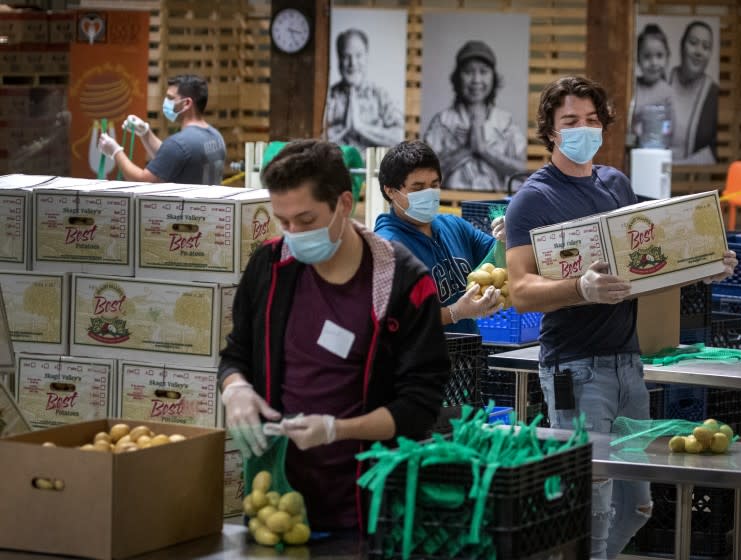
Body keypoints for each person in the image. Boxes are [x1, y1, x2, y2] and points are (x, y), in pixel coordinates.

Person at [503, 76, 737, 558]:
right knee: (591, 506)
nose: (582, 129)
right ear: (550, 130)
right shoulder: (532, 199)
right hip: (575, 368)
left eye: (591, 120)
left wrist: (702, 269)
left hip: (629, 367)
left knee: (636, 506)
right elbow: (522, 291)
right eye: (570, 121)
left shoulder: (616, 185)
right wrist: (578, 288)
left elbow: (645, 270)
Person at [218, 140, 450, 532]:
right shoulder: (270, 267)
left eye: (306, 221)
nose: (293, 233)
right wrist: (235, 389)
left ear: (344, 203)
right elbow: (237, 353)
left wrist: (336, 430)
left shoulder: (403, 283)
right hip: (278, 501)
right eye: (283, 221)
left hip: (369, 507)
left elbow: (419, 405)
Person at [373, 140, 503, 335]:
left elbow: (496, 257)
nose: (428, 193)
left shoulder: (453, 226)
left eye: (434, 185)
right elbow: (394, 319)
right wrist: (455, 313)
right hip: (419, 362)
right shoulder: (387, 247)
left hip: (466, 356)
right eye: (418, 188)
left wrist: (508, 238)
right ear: (390, 191)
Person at [423, 40, 526, 192]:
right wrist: (467, 149)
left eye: (483, 72)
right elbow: (424, 174)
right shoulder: (442, 121)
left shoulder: (506, 123)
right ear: (458, 77)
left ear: (493, 77)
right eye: (468, 72)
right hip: (451, 206)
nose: (476, 80)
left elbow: (524, 172)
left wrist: (484, 150)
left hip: (494, 208)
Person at [98, 74, 226, 185]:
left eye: (170, 98)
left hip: (182, 212)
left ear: (186, 103)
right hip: (206, 210)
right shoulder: (216, 136)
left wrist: (115, 151)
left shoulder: (179, 144)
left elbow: (143, 181)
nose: (166, 103)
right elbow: (172, 158)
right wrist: (145, 133)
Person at [325, 28, 404, 151]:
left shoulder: (380, 96)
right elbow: (314, 137)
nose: (353, 63)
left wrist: (361, 128)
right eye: (346, 56)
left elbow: (399, 136)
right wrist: (344, 128)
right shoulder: (327, 97)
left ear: (366, 57)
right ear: (339, 60)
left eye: (358, 55)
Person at [668, 20, 718, 165]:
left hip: (695, 181)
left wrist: (677, 168)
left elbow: (714, 150)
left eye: (706, 47)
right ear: (682, 45)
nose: (698, 52)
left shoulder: (714, 94)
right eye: (693, 42)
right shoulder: (662, 80)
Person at [632, 24, 674, 149]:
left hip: (659, 150)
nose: (654, 62)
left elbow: (671, 128)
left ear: (667, 57)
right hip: (635, 149)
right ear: (638, 59)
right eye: (647, 56)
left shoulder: (667, 92)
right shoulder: (633, 87)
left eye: (659, 56)